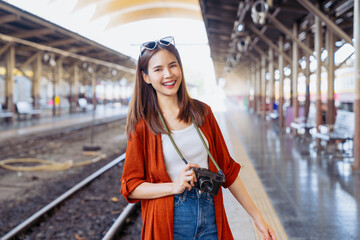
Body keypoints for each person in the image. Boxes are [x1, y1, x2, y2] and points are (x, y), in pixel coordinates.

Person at [120, 36, 276, 240]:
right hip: (170, 221)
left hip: (210, 212)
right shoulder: (142, 126)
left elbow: (228, 169)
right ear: (146, 77)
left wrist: (257, 218)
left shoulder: (203, 113)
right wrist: (174, 186)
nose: (168, 74)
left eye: (172, 65)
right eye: (158, 69)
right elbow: (130, 186)